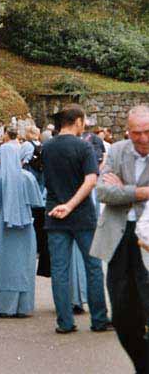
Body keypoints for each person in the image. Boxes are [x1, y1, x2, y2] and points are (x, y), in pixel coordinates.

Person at [42, 104, 111, 334]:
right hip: (81, 215)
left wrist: (62, 205)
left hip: (54, 213)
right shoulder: (84, 147)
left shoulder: (47, 147)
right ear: (78, 121)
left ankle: (65, 321)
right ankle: (99, 319)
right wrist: (71, 205)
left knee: (60, 270)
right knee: (93, 267)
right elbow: (91, 180)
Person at [91, 104, 149, 370]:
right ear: (128, 131)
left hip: (147, 241)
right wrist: (140, 192)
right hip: (118, 238)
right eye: (136, 133)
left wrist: (123, 189)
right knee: (123, 315)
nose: (143, 139)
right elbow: (103, 192)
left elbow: (114, 191)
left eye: (148, 132)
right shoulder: (115, 151)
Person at [0, 144, 44, 317]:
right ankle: (23, 306)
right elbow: (37, 202)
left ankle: (2, 306)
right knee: (22, 265)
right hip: (24, 228)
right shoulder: (27, 177)